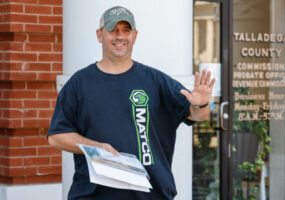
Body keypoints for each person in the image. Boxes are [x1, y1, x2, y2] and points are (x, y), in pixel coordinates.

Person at [48, 5, 215, 200]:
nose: (120, 36)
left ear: (134, 35)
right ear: (99, 35)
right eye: (112, 30)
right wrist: (95, 147)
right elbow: (56, 136)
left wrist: (202, 104)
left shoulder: (156, 81)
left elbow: (197, 115)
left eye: (126, 30)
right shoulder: (79, 84)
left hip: (151, 196)